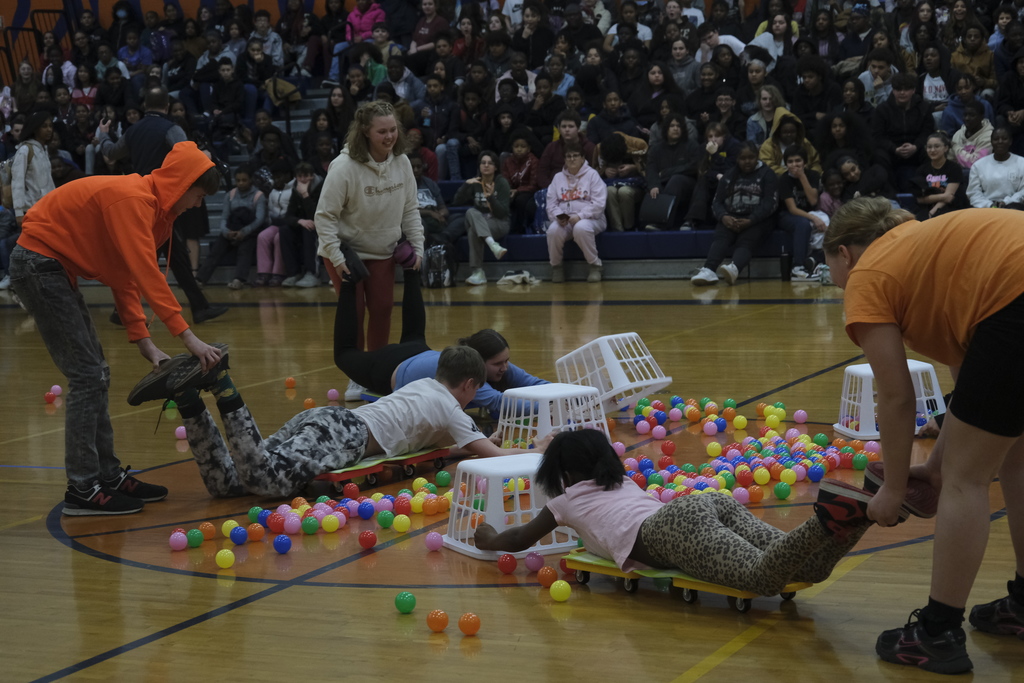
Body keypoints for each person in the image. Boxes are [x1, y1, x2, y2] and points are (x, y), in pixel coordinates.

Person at [823, 196, 1024, 674]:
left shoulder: (867, 275)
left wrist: (893, 489)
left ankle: (937, 634)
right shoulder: (925, 250)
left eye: (826, 261)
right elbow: (974, 387)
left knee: (967, 480)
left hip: (1014, 300)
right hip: (1011, 294)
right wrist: (931, 467)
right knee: (1016, 460)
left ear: (844, 253)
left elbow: (895, 398)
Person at [8, 141, 222, 516]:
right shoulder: (134, 200)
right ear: (181, 183)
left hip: (53, 267)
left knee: (97, 374)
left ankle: (107, 477)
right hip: (38, 263)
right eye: (198, 195)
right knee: (88, 376)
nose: (198, 205)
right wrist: (187, 337)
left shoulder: (158, 215)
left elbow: (124, 276)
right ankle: (82, 489)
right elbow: (144, 273)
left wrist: (144, 341)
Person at [474, 429, 886, 597]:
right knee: (808, 568)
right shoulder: (622, 481)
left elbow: (519, 540)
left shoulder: (565, 501)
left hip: (668, 528)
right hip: (704, 502)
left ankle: (829, 514)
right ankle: (868, 507)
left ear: (562, 473)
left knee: (764, 579)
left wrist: (488, 536)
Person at [137, 342, 541, 499]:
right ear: (470, 384)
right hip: (343, 436)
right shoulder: (453, 410)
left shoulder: (424, 389)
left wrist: (466, 443)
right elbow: (494, 458)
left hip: (326, 419)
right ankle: (221, 384)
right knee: (266, 482)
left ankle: (189, 398)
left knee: (228, 483)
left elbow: (434, 441)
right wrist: (537, 449)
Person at [315, 100, 424, 402]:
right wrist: (336, 259)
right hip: (344, 251)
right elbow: (324, 218)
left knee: (383, 309)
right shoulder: (344, 167)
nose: (389, 137)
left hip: (382, 250)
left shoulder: (401, 162)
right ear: (365, 132)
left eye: (393, 130)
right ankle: (355, 376)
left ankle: (374, 371)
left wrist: (418, 249)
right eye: (382, 132)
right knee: (355, 313)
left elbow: (411, 209)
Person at [96, 87, 228, 325]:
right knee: (158, 257)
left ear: (145, 106)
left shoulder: (133, 130)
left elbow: (111, 153)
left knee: (171, 255)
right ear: (167, 106)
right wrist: (205, 156)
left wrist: (103, 134)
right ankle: (196, 307)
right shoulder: (172, 129)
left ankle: (197, 306)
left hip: (138, 198)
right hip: (163, 202)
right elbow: (189, 158)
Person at [691, 141, 778, 286]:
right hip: (731, 216)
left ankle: (734, 268)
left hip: (758, 219)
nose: (747, 162)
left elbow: (771, 203)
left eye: (751, 158)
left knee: (747, 239)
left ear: (757, 157)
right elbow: (717, 202)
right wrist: (723, 217)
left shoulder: (767, 174)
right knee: (721, 238)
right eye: (743, 159)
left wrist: (751, 220)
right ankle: (709, 270)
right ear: (737, 160)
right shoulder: (729, 175)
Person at [546, 142, 607, 283]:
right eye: (568, 156)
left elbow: (599, 203)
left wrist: (580, 216)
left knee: (581, 227)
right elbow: (551, 204)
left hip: (593, 218)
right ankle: (556, 267)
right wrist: (559, 216)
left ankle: (595, 266)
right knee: (553, 230)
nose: (572, 159)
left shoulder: (592, 175)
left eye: (575, 156)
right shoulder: (557, 178)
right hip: (565, 219)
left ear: (582, 157)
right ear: (564, 159)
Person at [452, 150, 511, 285]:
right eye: (483, 163)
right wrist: (466, 184)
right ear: (479, 166)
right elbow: (457, 201)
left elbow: (502, 213)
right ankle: (493, 245)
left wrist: (490, 197)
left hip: (499, 222)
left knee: (473, 231)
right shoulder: (475, 183)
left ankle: (478, 272)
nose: (486, 165)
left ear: (495, 167)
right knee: (471, 212)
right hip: (480, 221)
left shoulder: (502, 183)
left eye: (490, 163)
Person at [778, 145, 826, 281]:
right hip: (787, 215)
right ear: (786, 164)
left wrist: (802, 177)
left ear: (805, 162)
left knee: (827, 223)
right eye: (790, 161)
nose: (795, 165)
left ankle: (815, 260)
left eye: (798, 160)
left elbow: (812, 200)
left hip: (811, 211)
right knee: (803, 224)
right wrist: (813, 218)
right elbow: (792, 209)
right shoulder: (784, 180)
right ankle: (797, 267)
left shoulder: (814, 175)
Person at [593, 131, 646, 232]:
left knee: (624, 192)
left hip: (635, 186)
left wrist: (634, 168)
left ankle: (629, 228)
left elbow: (649, 169)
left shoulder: (638, 145)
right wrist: (605, 171)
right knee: (609, 191)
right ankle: (618, 229)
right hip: (611, 184)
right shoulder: (600, 149)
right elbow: (594, 172)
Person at [910, 132, 966, 220]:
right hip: (926, 208)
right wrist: (943, 196)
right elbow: (920, 199)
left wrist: (933, 211)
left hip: (950, 207)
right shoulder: (921, 169)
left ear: (946, 148)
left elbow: (949, 198)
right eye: (929, 147)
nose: (932, 150)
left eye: (936, 146)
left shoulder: (954, 168)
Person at [966, 126, 1024, 209]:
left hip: (1013, 207)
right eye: (996, 139)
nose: (1000, 142)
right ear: (991, 142)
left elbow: (1023, 192)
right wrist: (990, 205)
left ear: (1010, 141)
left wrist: (1006, 202)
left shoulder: (1022, 163)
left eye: (1004, 139)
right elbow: (973, 193)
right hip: (985, 208)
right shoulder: (978, 165)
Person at [951, 100, 993, 171]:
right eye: (965, 115)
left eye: (972, 115)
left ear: (981, 117)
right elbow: (950, 159)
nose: (967, 118)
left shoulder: (989, 136)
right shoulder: (958, 134)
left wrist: (955, 147)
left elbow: (976, 164)